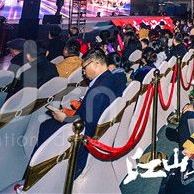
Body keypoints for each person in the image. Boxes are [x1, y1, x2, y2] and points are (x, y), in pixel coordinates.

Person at [36, 50, 126, 178]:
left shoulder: (97, 91)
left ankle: (37, 175)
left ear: (95, 63)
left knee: (45, 126)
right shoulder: (115, 78)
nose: (83, 72)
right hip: (102, 132)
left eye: (84, 68)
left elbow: (87, 124)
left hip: (84, 140)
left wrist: (64, 118)